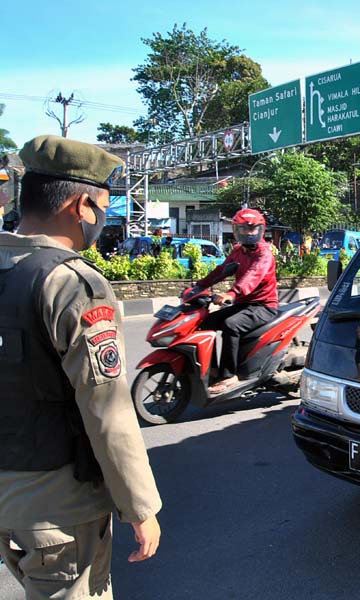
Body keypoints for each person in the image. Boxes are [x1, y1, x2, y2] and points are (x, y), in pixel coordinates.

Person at [0, 135, 162, 598]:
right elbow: (106, 409)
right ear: (79, 205)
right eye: (102, 206)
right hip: (57, 507)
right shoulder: (70, 283)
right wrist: (140, 507)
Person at [195, 208, 278, 394]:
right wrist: (199, 286)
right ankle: (213, 368)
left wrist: (231, 294)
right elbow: (222, 270)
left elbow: (252, 276)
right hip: (243, 303)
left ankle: (228, 375)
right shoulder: (238, 251)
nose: (249, 233)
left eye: (252, 229)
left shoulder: (264, 254)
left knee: (231, 325)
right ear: (237, 231)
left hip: (263, 306)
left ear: (260, 230)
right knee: (206, 322)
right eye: (244, 230)